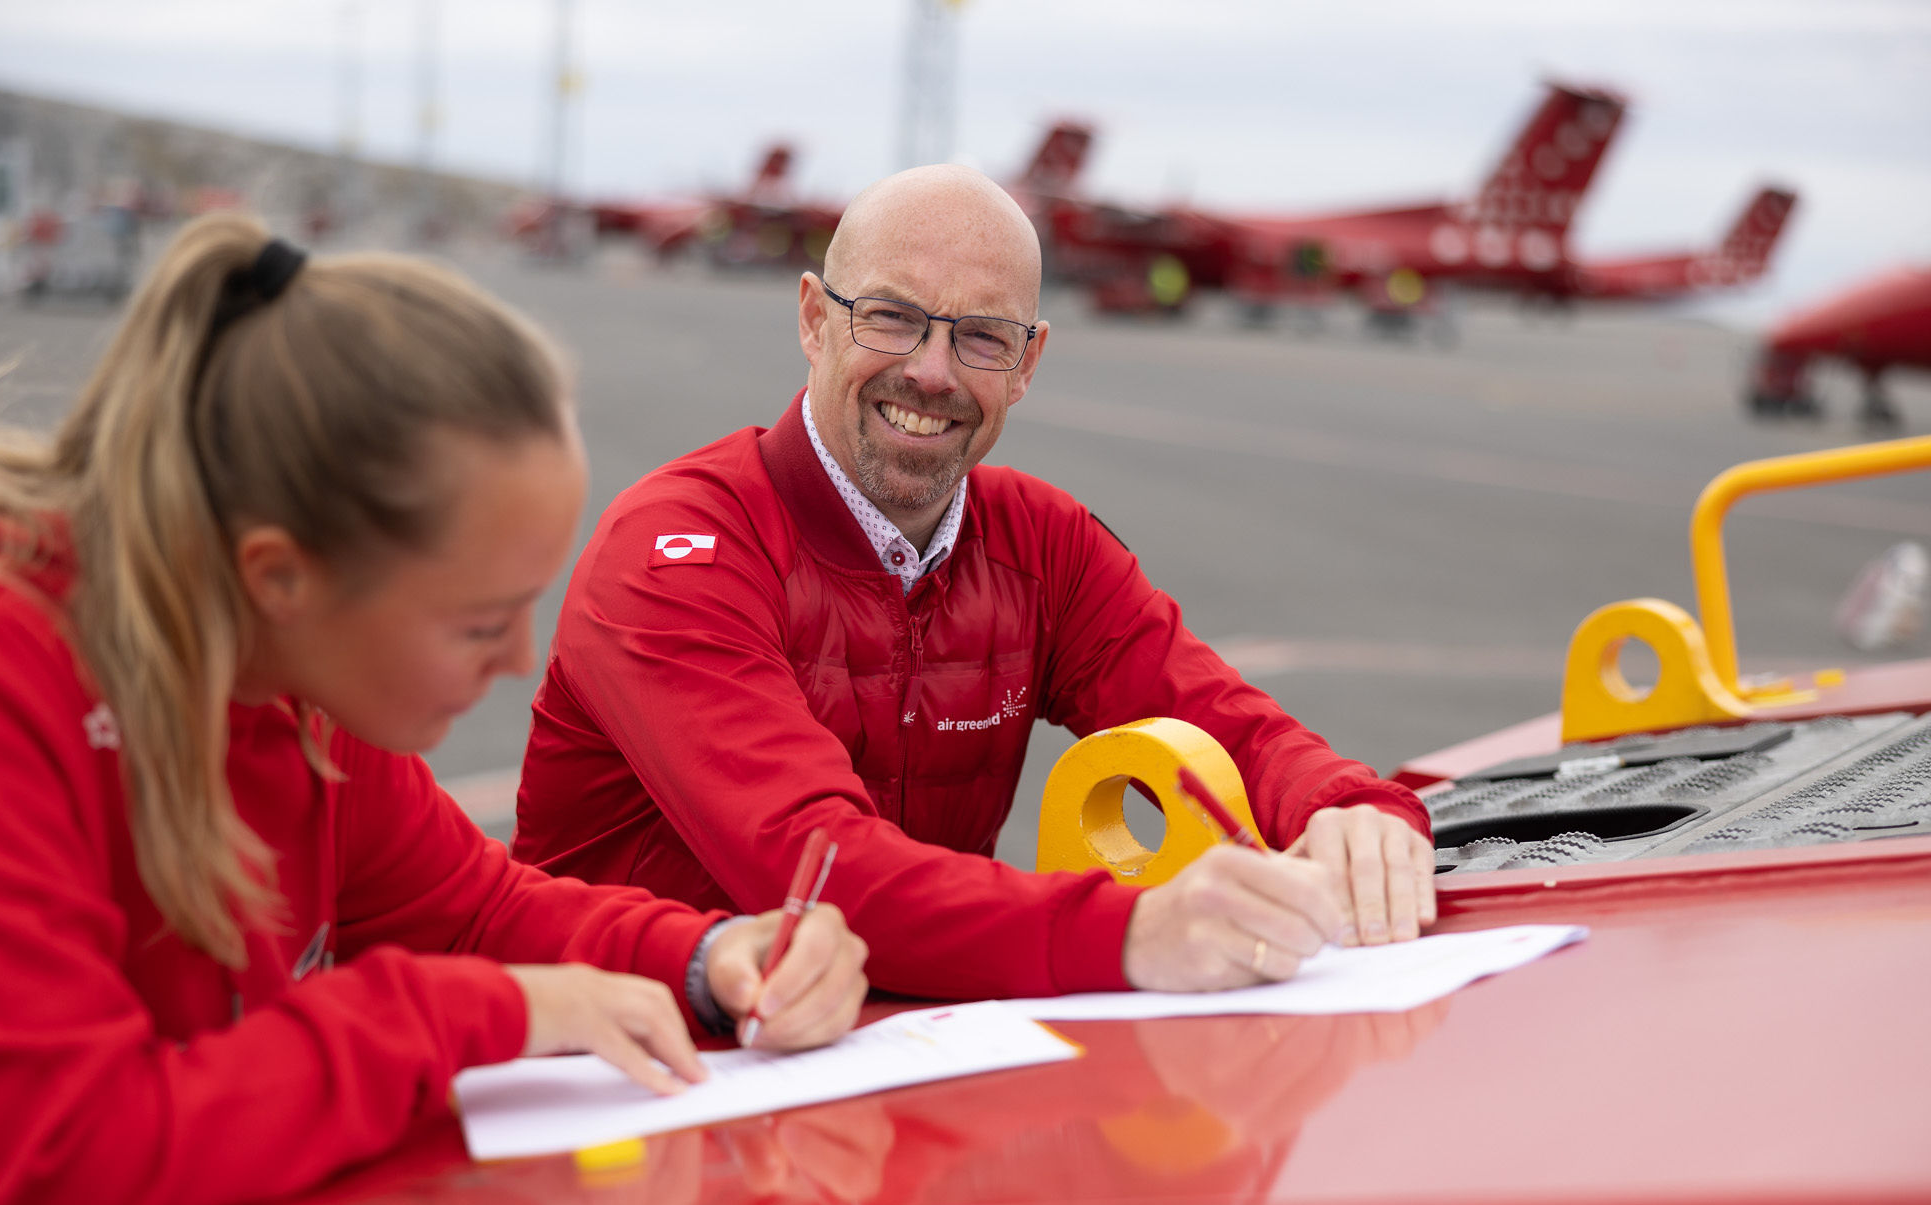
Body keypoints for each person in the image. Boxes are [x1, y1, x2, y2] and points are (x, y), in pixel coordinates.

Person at [0, 215, 868, 1205]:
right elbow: (50, 1190)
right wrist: (473, 1016)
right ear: (282, 576)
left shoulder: (291, 676)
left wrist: (708, 963)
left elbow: (479, 912)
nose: (516, 663)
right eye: (479, 622)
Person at [514, 165, 1433, 1004]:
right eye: (891, 316)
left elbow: (1230, 727)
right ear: (812, 318)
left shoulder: (1043, 543)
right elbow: (815, 873)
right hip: (627, 1085)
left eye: (982, 338)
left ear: (1027, 364)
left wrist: (1354, 809)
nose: (931, 371)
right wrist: (1137, 933)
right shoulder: (679, 549)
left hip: (885, 1064)